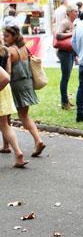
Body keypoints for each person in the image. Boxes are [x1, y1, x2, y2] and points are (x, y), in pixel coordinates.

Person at [3, 25, 46, 157]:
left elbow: (8, 71)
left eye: (7, 36)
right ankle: (37, 140)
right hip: (27, 83)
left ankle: (7, 145)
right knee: (24, 116)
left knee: (7, 116)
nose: (4, 38)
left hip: (15, 84)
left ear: (14, 36)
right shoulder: (23, 48)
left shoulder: (10, 51)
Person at [0, 39, 28, 167]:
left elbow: (5, 77)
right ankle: (18, 153)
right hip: (3, 90)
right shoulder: (4, 51)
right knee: (5, 125)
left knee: (4, 125)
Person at [56, 4, 77, 109]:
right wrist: (71, 34)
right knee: (65, 78)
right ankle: (64, 102)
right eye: (74, 11)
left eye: (77, 11)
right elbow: (58, 35)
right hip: (64, 53)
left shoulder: (73, 23)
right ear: (69, 12)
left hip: (70, 52)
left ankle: (66, 100)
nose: (77, 13)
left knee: (67, 77)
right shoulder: (64, 22)